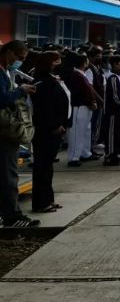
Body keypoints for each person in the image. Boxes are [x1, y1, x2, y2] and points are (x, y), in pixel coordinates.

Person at [0, 41, 38, 227]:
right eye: (19, 57)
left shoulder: (5, 71)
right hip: (4, 131)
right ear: (8, 52)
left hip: (6, 129)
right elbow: (2, 99)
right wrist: (20, 91)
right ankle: (12, 215)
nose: (20, 62)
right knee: (9, 174)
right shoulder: (0, 73)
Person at [30, 51, 70, 213]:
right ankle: (41, 202)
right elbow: (44, 109)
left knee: (48, 167)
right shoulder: (42, 82)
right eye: (56, 61)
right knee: (42, 167)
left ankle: (48, 199)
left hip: (56, 127)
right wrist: (55, 125)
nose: (59, 64)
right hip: (47, 130)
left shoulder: (51, 79)